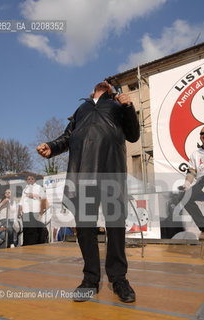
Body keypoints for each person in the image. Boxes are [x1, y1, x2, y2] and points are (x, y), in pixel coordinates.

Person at [37, 81, 140, 303]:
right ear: (91, 92)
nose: (104, 83)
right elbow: (67, 138)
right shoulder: (81, 110)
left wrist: (129, 106)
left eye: (108, 85)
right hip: (82, 171)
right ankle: (90, 279)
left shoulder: (116, 105)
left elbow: (133, 135)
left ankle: (119, 279)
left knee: (115, 227)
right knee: (84, 228)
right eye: (100, 84)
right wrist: (52, 147)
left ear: (111, 91)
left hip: (111, 169)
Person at [178, 125, 204, 241]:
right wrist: (186, 184)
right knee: (184, 196)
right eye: (202, 133)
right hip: (202, 181)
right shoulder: (195, 154)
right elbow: (191, 172)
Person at [19, 175, 49, 246]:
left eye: (32, 179)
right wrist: (20, 210)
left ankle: (34, 245)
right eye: (28, 179)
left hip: (35, 210)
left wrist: (34, 195)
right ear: (27, 181)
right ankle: (26, 245)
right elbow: (21, 201)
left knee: (34, 230)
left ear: (35, 180)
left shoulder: (38, 187)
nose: (30, 180)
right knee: (26, 230)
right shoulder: (25, 189)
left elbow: (44, 198)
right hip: (26, 212)